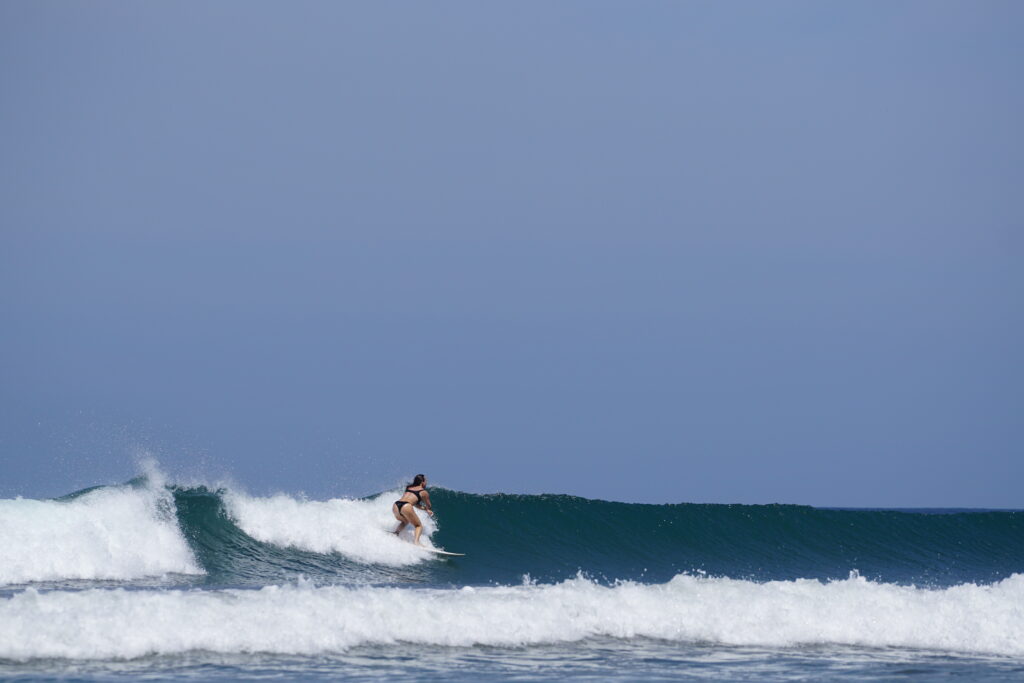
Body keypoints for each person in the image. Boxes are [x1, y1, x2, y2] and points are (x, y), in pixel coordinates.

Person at [392, 474, 433, 546]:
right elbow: (429, 505)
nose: (426, 483)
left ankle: (396, 533)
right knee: (418, 526)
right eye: (426, 481)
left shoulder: (409, 487)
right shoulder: (424, 492)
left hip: (396, 505)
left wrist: (425, 509)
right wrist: (428, 509)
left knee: (405, 521)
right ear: (422, 482)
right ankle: (416, 542)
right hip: (406, 506)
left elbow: (415, 504)